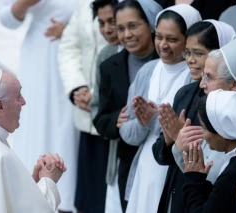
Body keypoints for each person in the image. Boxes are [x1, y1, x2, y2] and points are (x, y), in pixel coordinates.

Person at [118, 4, 201, 213]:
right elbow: (127, 132)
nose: (163, 45)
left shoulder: (193, 77)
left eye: (172, 39)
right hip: (146, 167)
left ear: (188, 39)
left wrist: (154, 120)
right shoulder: (147, 71)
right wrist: (143, 122)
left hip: (174, 169)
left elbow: (189, 133)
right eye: (159, 37)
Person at [0, 1, 79, 212]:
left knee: (68, 125)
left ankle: (65, 198)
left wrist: (72, 31)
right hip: (40, 55)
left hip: (76, 55)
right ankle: (30, 190)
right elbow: (6, 18)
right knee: (33, 118)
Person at [152, 20, 236, 213]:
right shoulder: (184, 93)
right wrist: (169, 140)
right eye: (187, 52)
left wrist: (180, 141)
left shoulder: (229, 102)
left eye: (198, 53)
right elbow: (160, 153)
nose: (190, 59)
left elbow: (215, 161)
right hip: (177, 189)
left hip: (205, 194)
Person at [93, 0, 162, 212]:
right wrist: (116, 121)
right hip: (127, 158)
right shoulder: (109, 66)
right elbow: (100, 118)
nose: (126, 35)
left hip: (163, 158)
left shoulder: (167, 60)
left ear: (150, 25)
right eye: (120, 28)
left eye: (133, 26)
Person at [0, 69, 66, 213]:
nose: (24, 102)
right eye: (18, 96)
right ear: (0, 106)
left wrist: (31, 184)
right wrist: (49, 181)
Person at [58, 0, 109, 212]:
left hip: (112, 113)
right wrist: (77, 88)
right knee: (87, 195)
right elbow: (70, 46)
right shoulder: (85, 5)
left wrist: (98, 96)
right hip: (85, 114)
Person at [183, 89, 236, 213]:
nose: (203, 136)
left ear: (222, 130)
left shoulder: (235, 172)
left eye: (204, 128)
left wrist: (193, 180)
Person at [89, 0, 123, 209]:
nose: (107, 29)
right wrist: (115, 122)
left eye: (112, 21)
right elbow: (98, 110)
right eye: (101, 23)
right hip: (117, 153)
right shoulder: (106, 56)